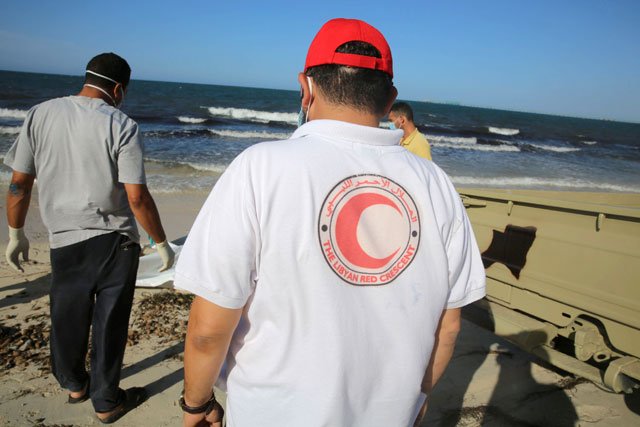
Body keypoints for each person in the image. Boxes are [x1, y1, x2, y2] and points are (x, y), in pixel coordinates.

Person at [175, 18, 485, 427]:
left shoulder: (260, 168)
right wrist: (418, 396)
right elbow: (448, 325)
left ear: (305, 87)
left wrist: (196, 404)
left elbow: (209, 328)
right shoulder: (435, 183)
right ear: (390, 98)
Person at [4, 52, 175, 424]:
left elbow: (19, 184)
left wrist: (15, 233)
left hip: (64, 239)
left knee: (66, 315)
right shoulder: (122, 124)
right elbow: (137, 197)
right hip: (116, 242)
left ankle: (74, 385)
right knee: (110, 323)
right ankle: (106, 402)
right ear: (118, 88)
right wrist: (160, 242)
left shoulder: (39, 114)